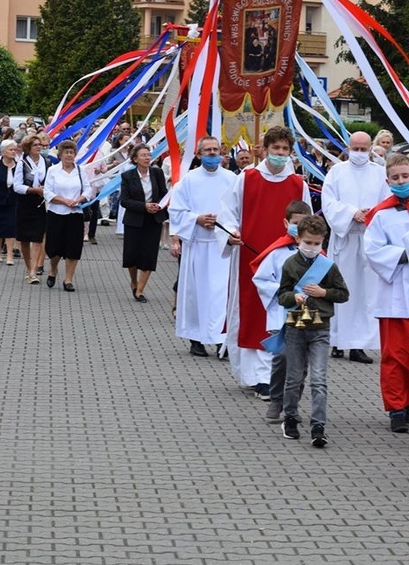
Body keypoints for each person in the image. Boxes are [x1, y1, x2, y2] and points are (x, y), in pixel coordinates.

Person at [215, 125, 311, 398]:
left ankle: (280, 374)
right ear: (265, 150)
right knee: (254, 312)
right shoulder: (247, 177)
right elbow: (228, 211)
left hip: (288, 257)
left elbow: (308, 221)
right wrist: (232, 232)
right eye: (275, 148)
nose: (280, 154)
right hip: (251, 255)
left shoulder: (298, 184)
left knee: (282, 315)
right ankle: (257, 377)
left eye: (285, 149)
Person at [278, 214, 349, 446]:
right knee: (294, 378)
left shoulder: (328, 266)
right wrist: (293, 296)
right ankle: (290, 416)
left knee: (319, 379)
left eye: (317, 243)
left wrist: (324, 293)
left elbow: (343, 293)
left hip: (321, 328)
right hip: (296, 327)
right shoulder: (289, 264)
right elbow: (281, 295)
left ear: (323, 242)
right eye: (308, 242)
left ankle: (318, 425)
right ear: (298, 239)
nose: (312, 247)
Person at [321, 131, 390, 363]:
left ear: (370, 149)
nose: (359, 153)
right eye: (355, 148)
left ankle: (359, 344)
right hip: (346, 237)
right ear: (348, 147)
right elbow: (328, 202)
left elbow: (388, 202)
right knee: (341, 289)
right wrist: (352, 213)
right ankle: (337, 340)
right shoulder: (336, 172)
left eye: (363, 149)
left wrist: (371, 214)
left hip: (370, 239)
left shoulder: (380, 174)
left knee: (365, 294)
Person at [168, 136, 236, 356]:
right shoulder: (188, 181)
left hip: (222, 248)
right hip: (198, 245)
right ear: (198, 154)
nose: (212, 154)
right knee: (196, 294)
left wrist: (223, 223)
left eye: (216, 150)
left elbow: (239, 210)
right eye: (207, 150)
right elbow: (176, 211)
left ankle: (221, 340)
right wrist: (197, 219)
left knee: (220, 295)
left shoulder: (232, 179)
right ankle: (196, 338)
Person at [251, 200, 312, 422]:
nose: (300, 227)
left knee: (301, 364)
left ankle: (292, 406)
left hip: (305, 313)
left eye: (304, 223)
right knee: (282, 359)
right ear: (287, 223)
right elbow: (261, 278)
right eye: (296, 223)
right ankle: (276, 399)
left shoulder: (316, 252)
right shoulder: (277, 252)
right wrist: (283, 291)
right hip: (281, 311)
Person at [364, 153, 409, 433]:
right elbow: (372, 250)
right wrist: (403, 254)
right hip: (395, 295)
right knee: (395, 356)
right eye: (396, 178)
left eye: (406, 176)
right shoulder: (381, 214)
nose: (402, 181)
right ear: (388, 180)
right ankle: (397, 409)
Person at [120, 144, 168, 303]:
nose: (147, 158)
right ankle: (133, 281)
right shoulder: (128, 176)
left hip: (153, 220)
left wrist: (158, 206)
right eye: (143, 155)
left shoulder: (157, 173)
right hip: (134, 220)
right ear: (135, 159)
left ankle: (140, 290)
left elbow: (163, 194)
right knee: (131, 255)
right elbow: (124, 201)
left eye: (149, 155)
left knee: (149, 255)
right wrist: (144, 206)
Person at [43, 139, 92, 291]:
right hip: (57, 212)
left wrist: (79, 199)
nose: (69, 155)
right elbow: (47, 192)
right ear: (60, 155)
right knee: (54, 247)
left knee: (73, 247)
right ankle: (53, 270)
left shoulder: (80, 170)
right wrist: (63, 200)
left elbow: (88, 189)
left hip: (75, 213)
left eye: (71, 152)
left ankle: (68, 279)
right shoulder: (53, 170)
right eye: (66, 152)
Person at [13, 134, 49, 284]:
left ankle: (33, 271)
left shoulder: (46, 162)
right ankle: (29, 268)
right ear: (28, 148)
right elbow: (17, 186)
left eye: (40, 144)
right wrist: (33, 190)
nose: (39, 147)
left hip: (40, 205)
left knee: (38, 238)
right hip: (25, 204)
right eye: (35, 145)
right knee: (25, 239)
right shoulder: (21, 164)